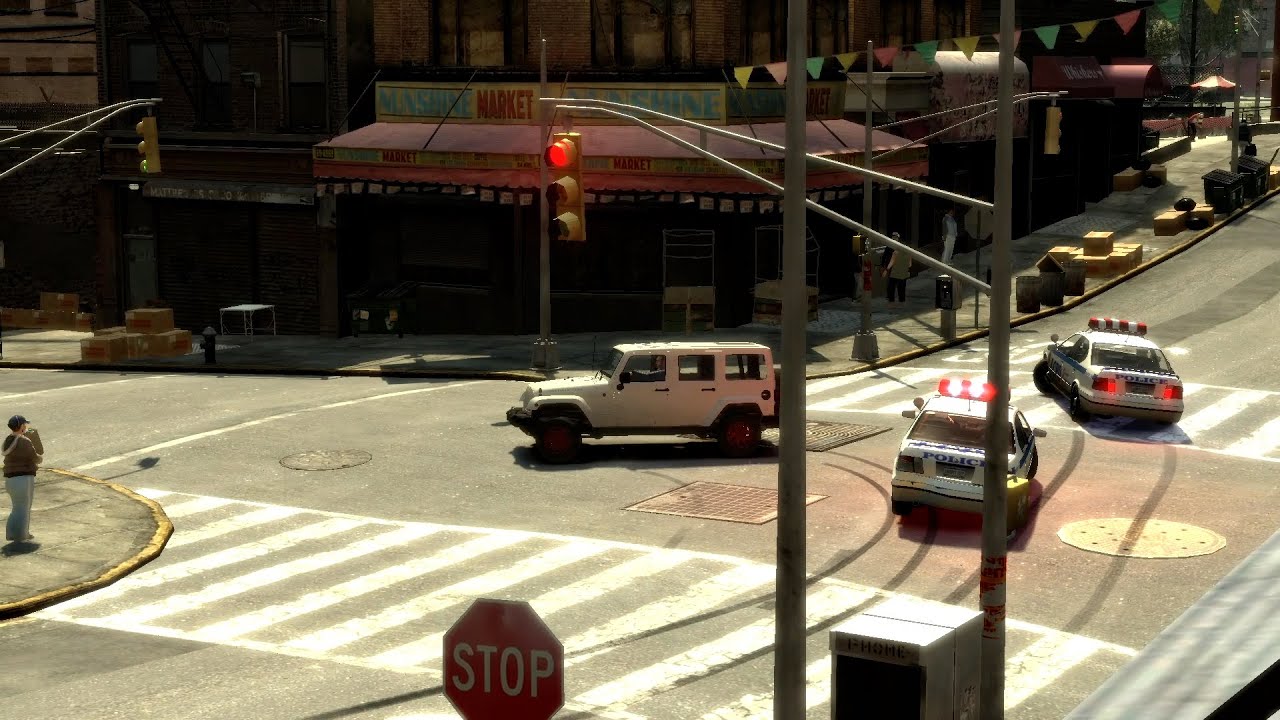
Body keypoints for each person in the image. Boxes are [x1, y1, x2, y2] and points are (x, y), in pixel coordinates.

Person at [2, 414, 42, 545]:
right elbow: (35, 457)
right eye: (25, 424)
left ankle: (11, 533)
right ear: (21, 426)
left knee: (16, 508)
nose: (26, 426)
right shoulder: (24, 441)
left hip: (10, 479)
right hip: (24, 479)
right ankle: (22, 536)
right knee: (24, 509)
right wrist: (40, 457)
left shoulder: (8, 440)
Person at [883, 233, 912, 305]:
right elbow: (909, 265)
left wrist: (886, 270)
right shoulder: (908, 253)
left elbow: (891, 262)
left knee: (891, 286)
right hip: (903, 272)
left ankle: (891, 300)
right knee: (901, 287)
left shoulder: (895, 252)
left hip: (895, 271)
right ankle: (901, 301)